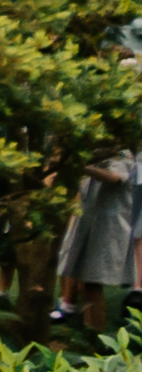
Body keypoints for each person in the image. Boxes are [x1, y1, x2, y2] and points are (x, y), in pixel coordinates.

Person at [53, 24, 140, 335]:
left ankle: (97, 339)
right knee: (85, 275)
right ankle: (83, 323)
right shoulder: (106, 109)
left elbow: (117, 177)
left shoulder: (126, 123)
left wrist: (81, 165)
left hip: (111, 209)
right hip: (94, 202)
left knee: (93, 277)